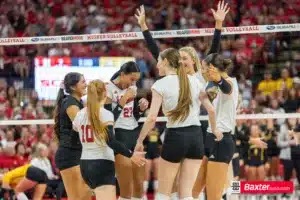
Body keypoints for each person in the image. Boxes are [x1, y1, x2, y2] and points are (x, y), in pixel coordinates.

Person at [134, 48, 222, 200]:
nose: (157, 66)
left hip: (175, 136)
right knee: (187, 194)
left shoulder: (160, 84)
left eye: (159, 62)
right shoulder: (195, 81)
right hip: (196, 138)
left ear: (166, 62)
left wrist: (139, 141)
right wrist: (215, 130)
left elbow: (151, 118)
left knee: (163, 192)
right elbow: (211, 110)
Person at [72, 79, 146, 200]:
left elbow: (74, 136)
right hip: (102, 164)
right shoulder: (105, 114)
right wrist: (131, 154)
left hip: (85, 164)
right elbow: (110, 141)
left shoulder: (80, 114)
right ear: (105, 94)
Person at [104, 61, 149, 200]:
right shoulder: (108, 88)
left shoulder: (133, 87)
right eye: (131, 79)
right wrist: (124, 99)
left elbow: (133, 115)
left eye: (135, 80)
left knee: (139, 185)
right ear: (122, 74)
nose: (133, 83)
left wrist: (141, 109)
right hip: (119, 135)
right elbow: (109, 117)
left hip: (134, 132)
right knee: (126, 185)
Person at [53, 72, 91, 200]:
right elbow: (82, 125)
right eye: (83, 82)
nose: (86, 84)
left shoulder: (78, 102)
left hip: (78, 152)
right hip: (69, 154)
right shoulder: (70, 102)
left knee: (85, 195)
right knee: (79, 196)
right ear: (74, 87)